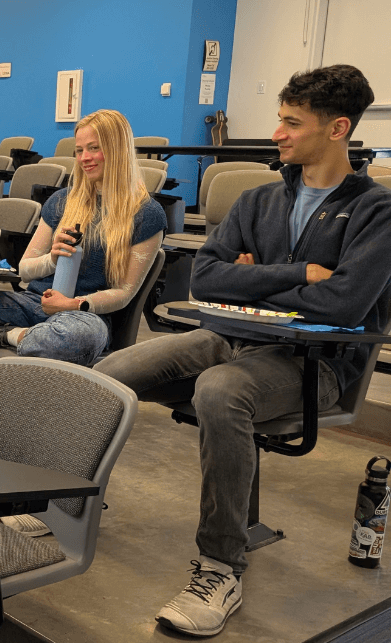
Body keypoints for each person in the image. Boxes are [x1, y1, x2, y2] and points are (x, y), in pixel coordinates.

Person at [95, 65, 391, 637]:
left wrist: (250, 279)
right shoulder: (259, 200)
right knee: (109, 371)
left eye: (291, 123)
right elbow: (205, 278)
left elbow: (343, 303)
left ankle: (220, 568)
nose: (276, 133)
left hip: (314, 363)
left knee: (220, 389)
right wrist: (300, 274)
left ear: (338, 129)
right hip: (229, 338)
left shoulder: (377, 211)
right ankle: (68, 503)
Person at [0, 109, 166, 451]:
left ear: (117, 149)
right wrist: (53, 258)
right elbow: (26, 268)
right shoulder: (62, 201)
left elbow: (124, 292)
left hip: (83, 315)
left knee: (73, 338)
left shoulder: (146, 214)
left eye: (94, 148)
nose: (85, 158)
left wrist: (74, 303)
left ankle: (5, 335)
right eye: (80, 150)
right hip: (33, 301)